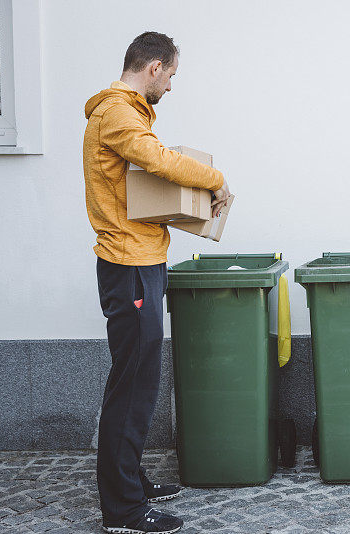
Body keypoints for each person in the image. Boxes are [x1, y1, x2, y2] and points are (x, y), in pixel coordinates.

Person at [83, 31, 230, 534]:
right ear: (154, 68)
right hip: (129, 265)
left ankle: (131, 481)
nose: (170, 86)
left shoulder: (126, 111)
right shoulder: (119, 112)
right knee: (133, 387)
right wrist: (216, 180)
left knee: (138, 381)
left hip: (140, 259)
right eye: (170, 75)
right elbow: (160, 161)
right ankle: (122, 511)